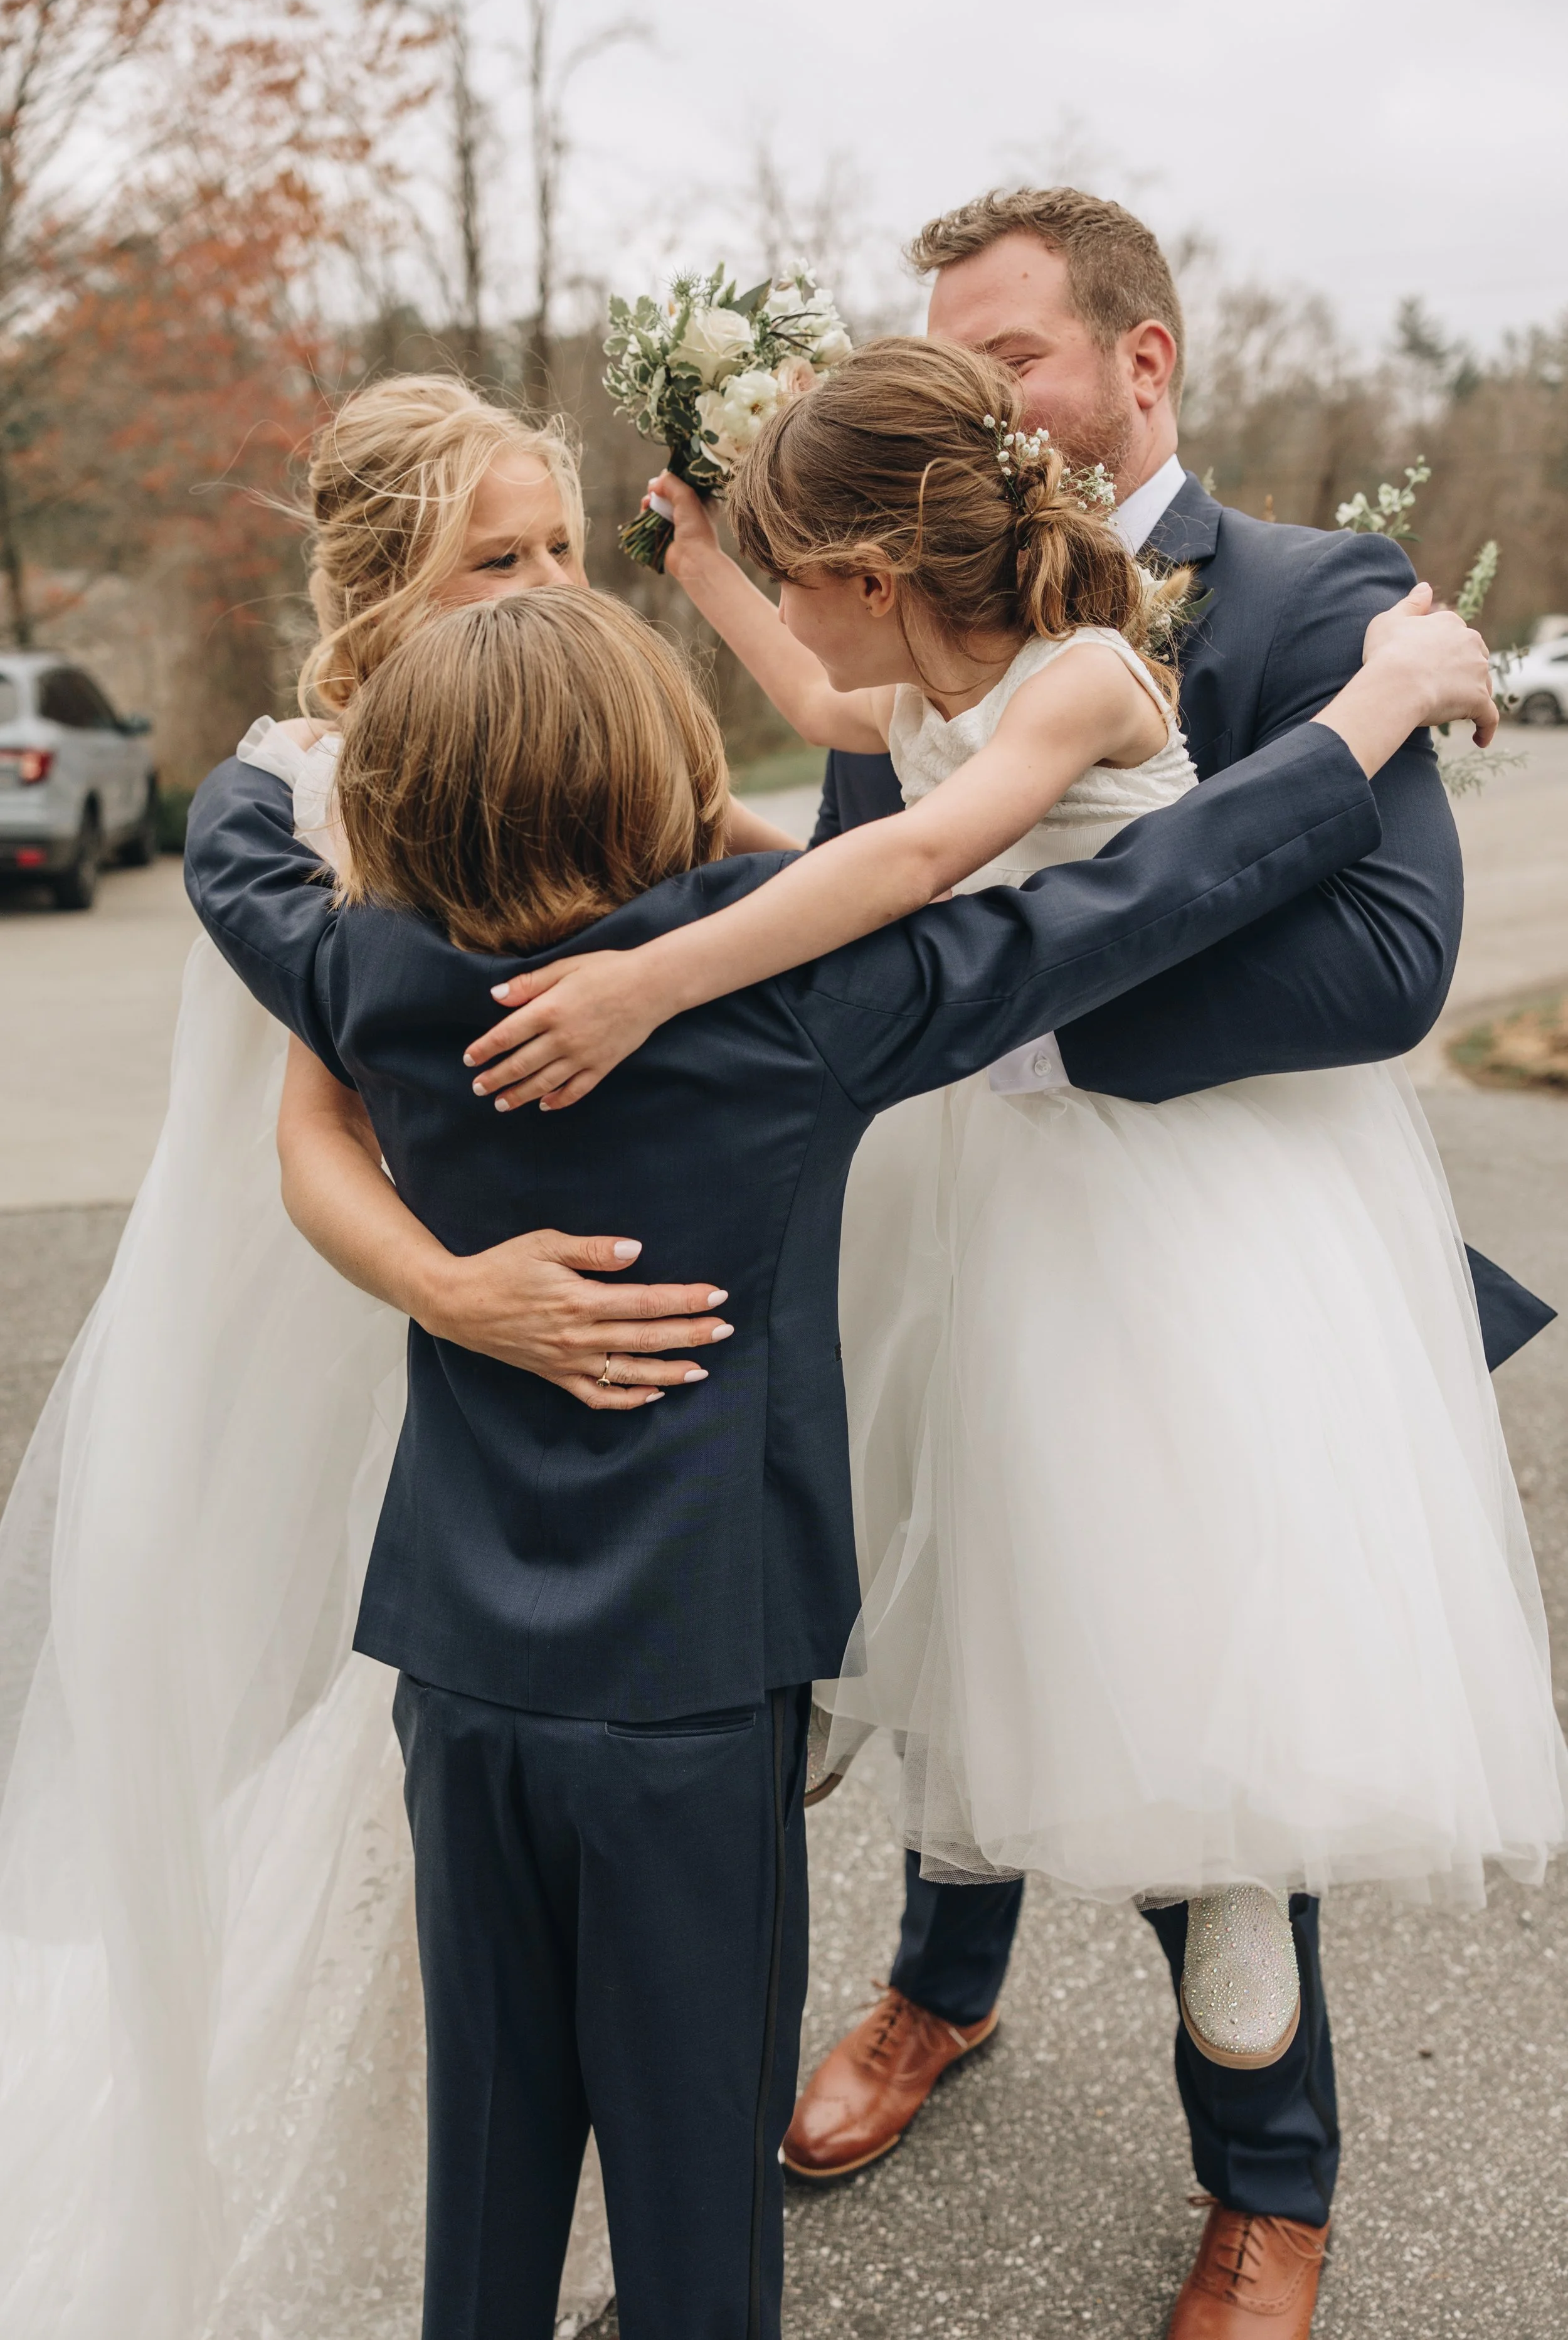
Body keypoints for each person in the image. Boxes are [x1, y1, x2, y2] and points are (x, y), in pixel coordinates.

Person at [181, 566, 1478, 2340]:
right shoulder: (794, 1012)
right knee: (695, 2191)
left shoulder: (372, 973)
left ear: (408, 797)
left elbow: (232, 847)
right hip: (692, 1694)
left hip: (457, 1672)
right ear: (655, 772)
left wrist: (313, 730)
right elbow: (1146, 891)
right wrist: (1373, 703)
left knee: (484, 2172)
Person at [453, 333, 1557, 2340]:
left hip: (1181, 1196)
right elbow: (811, 708)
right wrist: (699, 556)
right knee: (991, 1525)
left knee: (1184, 1532)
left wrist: (651, 988)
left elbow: (909, 856)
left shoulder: (1090, 669)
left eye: (798, 561)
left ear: (879, 565)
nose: (795, 608)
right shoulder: (923, 665)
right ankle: (908, 1924)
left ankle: (1230, 1897)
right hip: (998, 1183)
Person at [0, 373, 766, 2339]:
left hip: (602, 1400)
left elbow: (773, 869)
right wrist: (457, 1292)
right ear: (372, 593)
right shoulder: (332, 794)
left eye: (559, 554)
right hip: (389, 1341)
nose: (537, 588)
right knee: (391, 1803)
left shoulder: (595, 744)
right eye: (486, 560)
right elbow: (307, 1132)